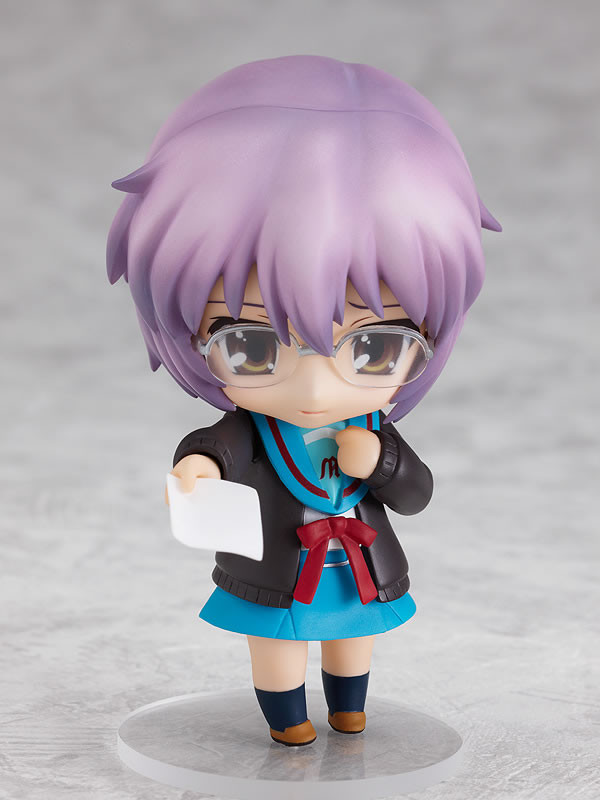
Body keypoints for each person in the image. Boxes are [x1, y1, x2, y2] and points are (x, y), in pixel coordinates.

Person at [107, 55, 500, 746]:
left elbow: (415, 493)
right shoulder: (254, 432)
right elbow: (216, 447)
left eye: (372, 349)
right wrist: (197, 469)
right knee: (277, 646)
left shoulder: (372, 428)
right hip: (275, 570)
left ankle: (350, 708)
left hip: (360, 568)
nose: (315, 388)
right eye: (250, 346)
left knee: (353, 642)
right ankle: (288, 720)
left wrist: (381, 462)